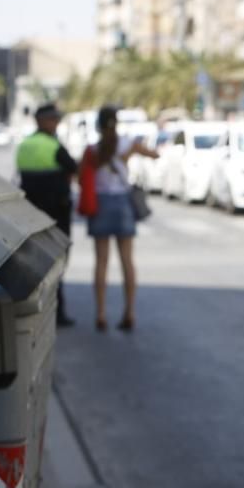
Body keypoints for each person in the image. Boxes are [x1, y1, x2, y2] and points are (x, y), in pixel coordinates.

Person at [83, 105, 158, 332]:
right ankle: (129, 312)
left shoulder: (93, 149)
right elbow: (155, 154)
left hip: (101, 204)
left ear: (98, 125)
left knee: (101, 262)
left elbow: (80, 175)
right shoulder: (127, 144)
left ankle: (101, 313)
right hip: (123, 203)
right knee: (127, 261)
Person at [16, 103, 78, 326]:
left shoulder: (24, 145)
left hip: (32, 216)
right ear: (42, 121)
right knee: (58, 263)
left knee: (35, 264)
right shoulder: (53, 146)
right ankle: (57, 313)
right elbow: (73, 167)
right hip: (56, 216)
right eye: (53, 119)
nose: (56, 123)